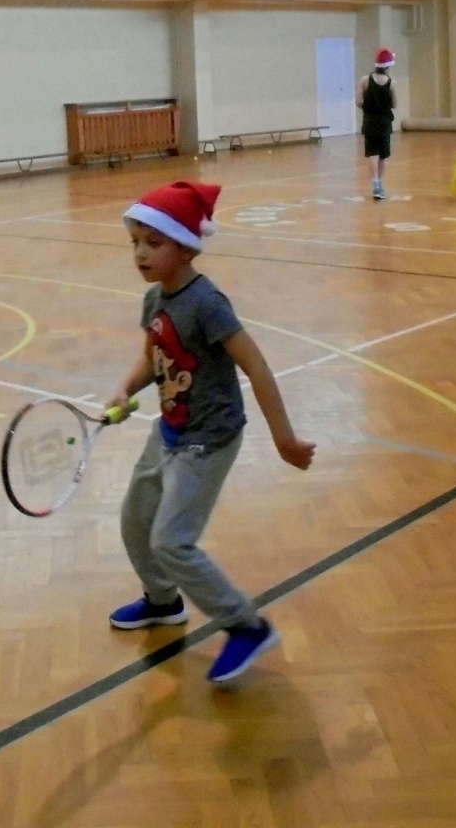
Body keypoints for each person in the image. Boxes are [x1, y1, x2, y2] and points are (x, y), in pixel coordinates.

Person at [106, 181, 316, 685]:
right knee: (135, 520)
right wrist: (126, 388)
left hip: (208, 440)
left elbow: (256, 365)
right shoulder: (155, 300)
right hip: (169, 431)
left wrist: (284, 439)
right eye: (135, 242)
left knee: (171, 541)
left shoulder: (207, 303)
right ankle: (163, 602)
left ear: (186, 247)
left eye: (153, 243)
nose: (140, 253)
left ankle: (246, 626)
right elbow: (153, 358)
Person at [358, 47, 396, 200]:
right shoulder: (391, 83)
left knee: (372, 153)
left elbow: (358, 101)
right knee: (383, 155)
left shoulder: (364, 80)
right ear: (388, 66)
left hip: (369, 121)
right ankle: (380, 182)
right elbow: (394, 104)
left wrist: (368, 107)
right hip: (385, 122)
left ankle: (375, 184)